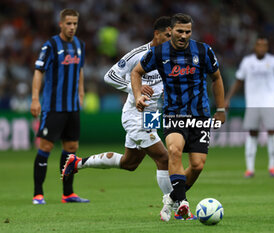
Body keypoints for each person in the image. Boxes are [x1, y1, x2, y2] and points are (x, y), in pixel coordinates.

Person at [62, 16, 188, 221]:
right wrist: (134, 89)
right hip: (134, 114)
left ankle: (78, 163)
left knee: (130, 163)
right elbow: (109, 76)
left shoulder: (171, 56)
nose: (172, 38)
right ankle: (176, 207)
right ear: (157, 34)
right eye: (168, 34)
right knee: (164, 158)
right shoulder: (138, 54)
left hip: (152, 113)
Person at [131, 13, 226, 221]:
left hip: (200, 114)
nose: (184, 35)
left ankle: (173, 198)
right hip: (174, 112)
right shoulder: (158, 53)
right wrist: (138, 95)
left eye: (188, 32)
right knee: (174, 150)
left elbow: (216, 78)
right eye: (180, 31)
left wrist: (221, 109)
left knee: (198, 165)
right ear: (170, 31)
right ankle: (183, 203)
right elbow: (136, 72)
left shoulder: (203, 51)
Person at [30, 9, 89, 204]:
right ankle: (38, 193)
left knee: (72, 147)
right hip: (53, 106)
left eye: (75, 24)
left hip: (72, 106)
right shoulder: (50, 45)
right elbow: (39, 71)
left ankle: (68, 193)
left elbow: (79, 70)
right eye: (69, 23)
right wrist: (35, 99)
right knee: (46, 146)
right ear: (61, 24)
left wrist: (81, 92)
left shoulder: (80, 45)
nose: (72, 27)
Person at [225, 35, 274, 178]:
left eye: (264, 45)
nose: (262, 48)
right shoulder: (247, 62)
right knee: (252, 133)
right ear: (255, 47)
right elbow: (238, 81)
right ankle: (250, 169)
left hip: (270, 103)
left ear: (267, 47)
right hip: (253, 104)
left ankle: (272, 166)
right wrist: (227, 99)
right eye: (259, 45)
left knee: (272, 131)